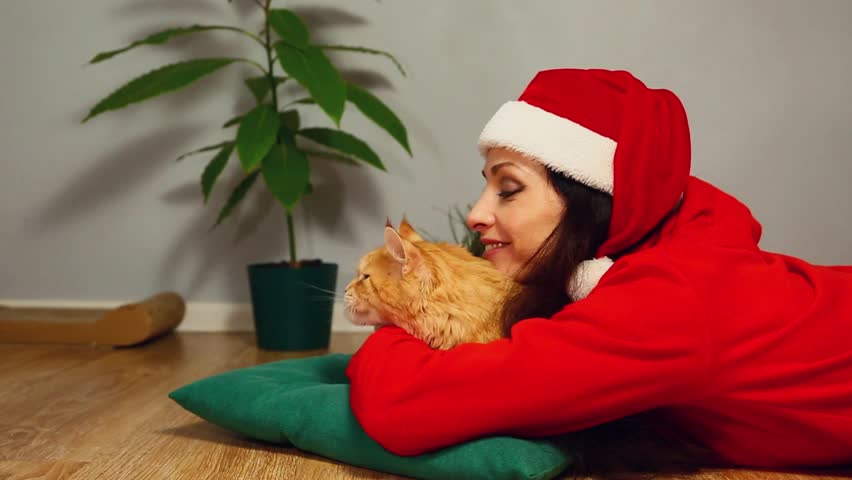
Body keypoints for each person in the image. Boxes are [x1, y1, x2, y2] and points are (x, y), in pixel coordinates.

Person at [345, 68, 852, 468]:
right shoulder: (652, 262)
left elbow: (403, 409)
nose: (477, 213)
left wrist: (397, 320)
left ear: (587, 197)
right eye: (486, 185)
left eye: (509, 188)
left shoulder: (669, 300)